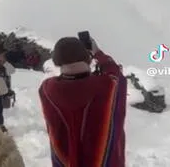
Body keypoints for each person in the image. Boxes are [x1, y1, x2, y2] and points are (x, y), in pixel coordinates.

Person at [38, 36, 127, 167]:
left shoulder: (46, 89)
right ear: (87, 57)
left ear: (56, 61)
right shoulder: (107, 86)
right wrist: (98, 53)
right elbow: (115, 72)